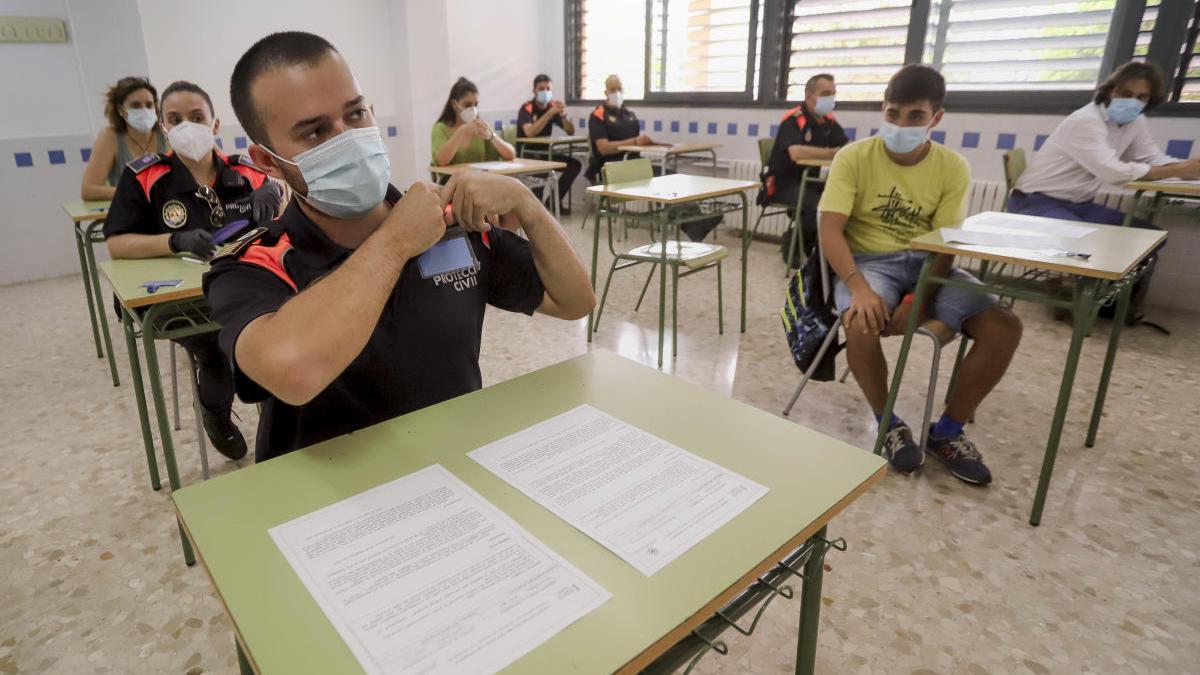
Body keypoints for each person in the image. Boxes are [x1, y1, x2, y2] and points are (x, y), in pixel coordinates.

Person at [211, 31, 595, 462]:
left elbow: (574, 301)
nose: (346, 138)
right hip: (329, 503)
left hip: (451, 471)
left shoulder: (453, 224)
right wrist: (396, 240)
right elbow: (296, 372)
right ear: (267, 161)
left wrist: (526, 204)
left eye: (355, 114)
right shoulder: (256, 262)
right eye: (315, 132)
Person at [818, 64, 1023, 486]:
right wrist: (858, 287)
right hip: (870, 262)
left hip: (932, 262)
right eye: (893, 114)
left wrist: (916, 300)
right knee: (860, 322)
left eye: (915, 116)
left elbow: (944, 246)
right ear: (883, 110)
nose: (901, 124)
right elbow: (829, 229)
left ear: (936, 118)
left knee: (1004, 326)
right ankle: (888, 424)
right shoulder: (853, 157)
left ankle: (947, 433)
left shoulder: (952, 166)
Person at [104, 80, 283, 461]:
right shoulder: (145, 177)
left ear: (215, 124)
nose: (188, 125)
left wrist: (277, 192)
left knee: (272, 337)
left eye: (197, 117)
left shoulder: (246, 172)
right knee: (219, 348)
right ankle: (217, 416)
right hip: (183, 301)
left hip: (244, 288)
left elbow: (283, 222)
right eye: (175, 118)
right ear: (164, 127)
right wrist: (174, 242)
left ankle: (281, 424)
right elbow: (117, 243)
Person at [1009, 61, 1198, 326]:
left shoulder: (1135, 121)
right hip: (1034, 201)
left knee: (1150, 238)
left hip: (1079, 204)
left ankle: (1111, 305)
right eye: (1126, 94)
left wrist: (1188, 170)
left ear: (1150, 100)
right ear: (1111, 90)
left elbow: (1152, 157)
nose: (1133, 102)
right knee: (1086, 241)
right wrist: (1178, 169)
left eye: (1142, 97)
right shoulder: (1086, 121)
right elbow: (1113, 172)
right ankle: (1076, 297)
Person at [763, 73, 849, 265]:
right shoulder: (794, 119)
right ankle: (793, 245)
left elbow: (847, 148)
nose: (830, 99)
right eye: (825, 93)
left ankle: (802, 242)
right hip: (782, 185)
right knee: (817, 206)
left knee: (838, 199)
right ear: (809, 95)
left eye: (833, 94)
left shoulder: (828, 121)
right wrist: (830, 152)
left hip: (810, 182)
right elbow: (796, 153)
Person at [81, 76, 169, 200]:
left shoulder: (166, 133)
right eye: (136, 106)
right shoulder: (110, 136)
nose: (144, 110)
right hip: (130, 211)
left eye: (149, 105)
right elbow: (88, 190)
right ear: (121, 110)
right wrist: (137, 194)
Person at [517, 73, 581, 214]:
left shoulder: (552, 107)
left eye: (548, 89)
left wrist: (563, 115)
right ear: (534, 91)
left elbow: (570, 131)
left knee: (574, 165)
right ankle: (536, 210)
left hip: (546, 153)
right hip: (527, 155)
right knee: (542, 172)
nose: (545, 92)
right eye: (541, 88)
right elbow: (529, 132)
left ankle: (553, 202)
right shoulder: (526, 108)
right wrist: (549, 114)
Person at [585, 74, 658, 182]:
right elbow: (603, 148)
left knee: (668, 176)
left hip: (632, 161)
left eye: (619, 89)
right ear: (606, 93)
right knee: (657, 178)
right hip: (610, 165)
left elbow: (636, 144)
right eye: (613, 90)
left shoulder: (629, 115)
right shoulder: (598, 115)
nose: (617, 93)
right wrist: (634, 142)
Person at [431, 77, 516, 167]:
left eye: (475, 105)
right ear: (454, 104)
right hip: (453, 180)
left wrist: (491, 137)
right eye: (467, 105)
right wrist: (461, 131)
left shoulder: (480, 127)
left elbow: (510, 155)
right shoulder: (440, 128)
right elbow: (441, 161)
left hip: (481, 178)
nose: (473, 109)